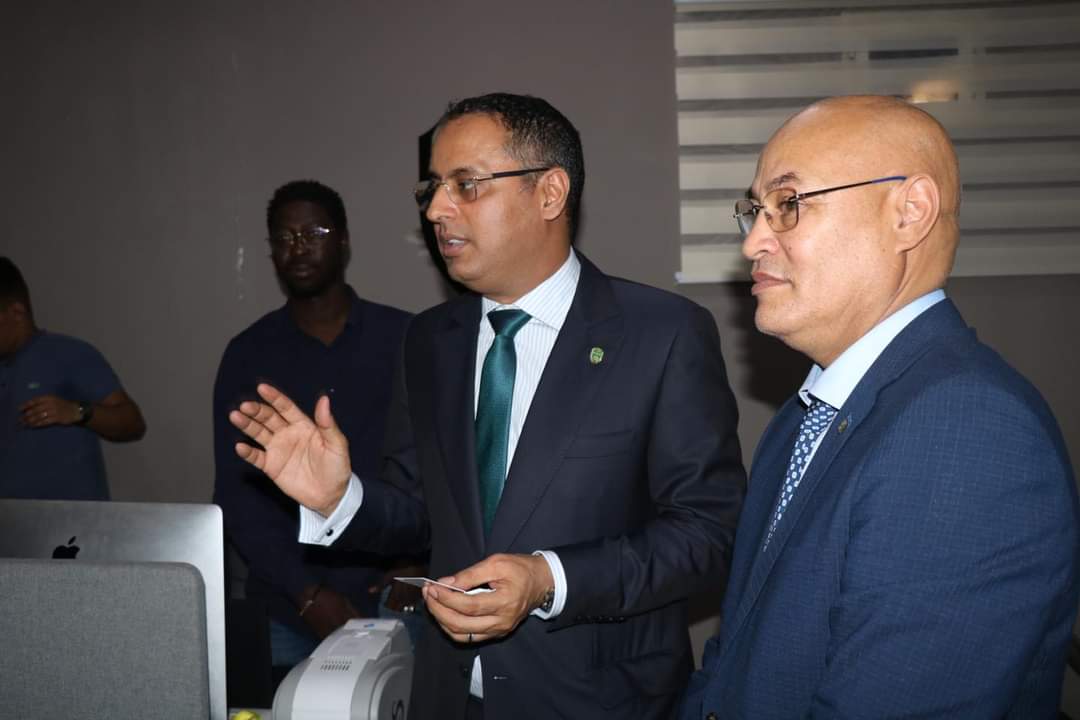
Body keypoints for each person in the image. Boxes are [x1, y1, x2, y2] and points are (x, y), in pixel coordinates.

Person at [228, 93, 746, 719]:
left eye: (466, 185)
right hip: (451, 696)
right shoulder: (429, 340)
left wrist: (548, 579)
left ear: (549, 193)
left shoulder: (662, 334)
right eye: (432, 189)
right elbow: (421, 513)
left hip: (600, 700)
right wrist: (340, 498)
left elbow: (709, 535)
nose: (436, 210)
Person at [681, 96, 1080, 719]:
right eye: (755, 211)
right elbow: (733, 654)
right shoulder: (802, 417)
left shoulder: (967, 429)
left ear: (909, 213)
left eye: (789, 203)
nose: (754, 241)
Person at [212, 180, 418, 676]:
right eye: (284, 238)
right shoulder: (248, 353)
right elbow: (237, 494)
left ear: (343, 241)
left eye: (313, 233)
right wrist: (306, 593)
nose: (298, 247)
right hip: (288, 606)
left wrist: (418, 561)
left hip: (397, 593)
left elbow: (439, 464)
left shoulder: (405, 338)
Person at [0, 256, 145, 500]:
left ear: (17, 312)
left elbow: (133, 423)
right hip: (9, 520)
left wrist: (77, 411)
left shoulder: (70, 354)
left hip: (69, 520)